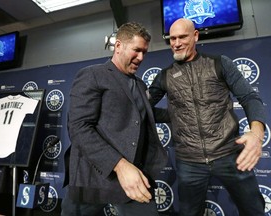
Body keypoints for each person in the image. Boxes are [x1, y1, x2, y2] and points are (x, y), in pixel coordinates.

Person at [148, 18, 266, 216]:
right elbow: (143, 109)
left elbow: (249, 97)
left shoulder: (219, 63)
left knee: (254, 210)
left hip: (230, 155)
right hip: (189, 162)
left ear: (195, 36)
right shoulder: (164, 76)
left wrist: (256, 132)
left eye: (182, 37)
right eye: (172, 38)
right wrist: (173, 115)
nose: (176, 43)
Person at [61, 22, 168, 216]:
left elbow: (143, 114)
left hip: (134, 178)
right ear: (118, 46)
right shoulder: (93, 75)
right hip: (93, 178)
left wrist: (184, 113)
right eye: (136, 50)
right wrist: (120, 165)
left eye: (144, 52)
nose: (141, 57)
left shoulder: (140, 84)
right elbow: (79, 127)